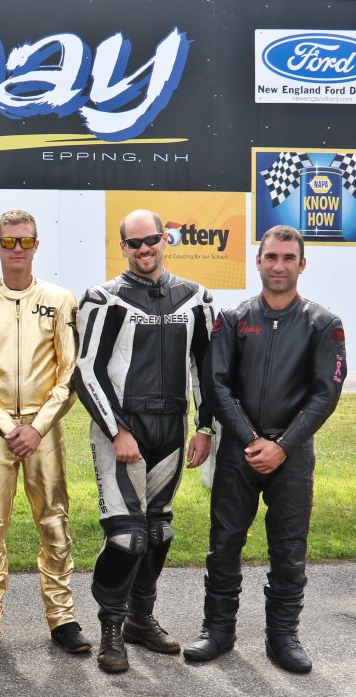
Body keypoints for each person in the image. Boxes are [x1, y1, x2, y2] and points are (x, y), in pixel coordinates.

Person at [184, 225, 346, 673]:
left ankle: (283, 638)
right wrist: (252, 440)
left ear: (302, 264)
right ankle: (217, 631)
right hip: (240, 451)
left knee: (289, 550)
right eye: (271, 257)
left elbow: (325, 396)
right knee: (224, 546)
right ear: (257, 262)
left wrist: (283, 446)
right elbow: (216, 385)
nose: (278, 266)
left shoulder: (323, 324)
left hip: (292, 457)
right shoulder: (233, 319)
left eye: (288, 258)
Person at [74, 209, 214, 673]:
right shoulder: (103, 298)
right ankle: (110, 628)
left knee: (159, 531)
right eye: (134, 243)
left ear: (164, 238)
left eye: (151, 239)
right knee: (127, 538)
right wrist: (118, 430)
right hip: (122, 431)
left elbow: (205, 370)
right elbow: (86, 370)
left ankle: (139, 618)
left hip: (171, 431)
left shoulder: (196, 298)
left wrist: (205, 427)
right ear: (123, 248)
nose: (144, 249)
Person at [0, 208, 89, 656]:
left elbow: (72, 373)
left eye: (25, 241)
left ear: (36, 246)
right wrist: (10, 427)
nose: (17, 250)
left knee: (55, 521)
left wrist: (37, 426)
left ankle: (63, 617)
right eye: (9, 242)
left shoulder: (61, 299)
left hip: (43, 429)